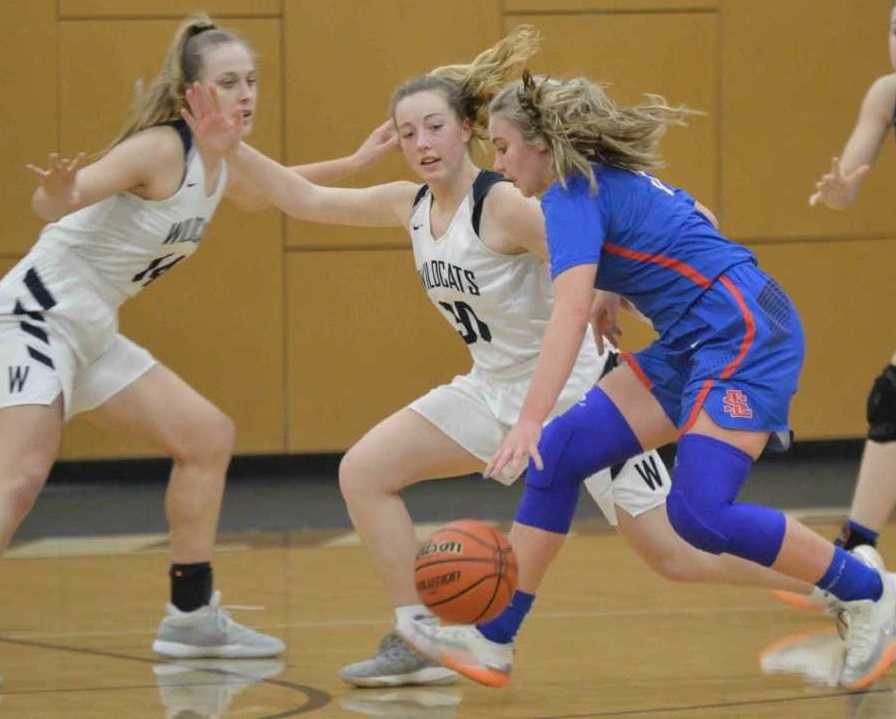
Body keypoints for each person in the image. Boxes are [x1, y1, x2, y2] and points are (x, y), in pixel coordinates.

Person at [183, 28, 837, 690]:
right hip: (492, 390)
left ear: (466, 128)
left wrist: (610, 293)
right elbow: (303, 200)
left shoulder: (507, 204)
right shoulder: (408, 207)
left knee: (678, 552)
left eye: (434, 126)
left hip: (577, 392)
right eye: (407, 134)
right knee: (363, 471)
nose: (422, 144)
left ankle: (835, 579)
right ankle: (421, 631)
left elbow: (669, 219)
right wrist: (233, 146)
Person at [399, 71, 896, 691]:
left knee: (698, 516)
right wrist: (616, 285)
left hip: (745, 333)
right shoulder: (598, 183)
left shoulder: (570, 195)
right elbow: (700, 219)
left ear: (541, 146)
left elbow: (568, 315)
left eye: (502, 147)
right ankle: (493, 638)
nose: (495, 162)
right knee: (560, 455)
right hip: (695, 337)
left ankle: (870, 591)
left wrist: (528, 418)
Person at [2, 13, 395, 660]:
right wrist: (58, 190)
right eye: (228, 82)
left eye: (252, 81)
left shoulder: (220, 162)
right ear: (191, 93)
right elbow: (63, 200)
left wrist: (354, 161)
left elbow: (278, 192)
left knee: (205, 436)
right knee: (18, 476)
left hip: (91, 329)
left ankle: (190, 616)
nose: (246, 94)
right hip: (37, 314)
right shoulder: (161, 148)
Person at [772, 0, 896, 614]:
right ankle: (857, 546)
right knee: (893, 398)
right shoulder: (887, 92)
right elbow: (852, 171)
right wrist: (843, 188)